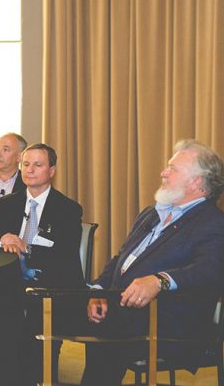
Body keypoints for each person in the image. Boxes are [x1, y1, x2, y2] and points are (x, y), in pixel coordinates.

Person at [81, 140, 224, 386]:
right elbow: (121, 259)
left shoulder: (212, 222)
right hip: (127, 310)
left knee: (108, 330)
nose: (163, 173)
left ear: (196, 182)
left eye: (173, 168)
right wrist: (99, 290)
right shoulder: (152, 213)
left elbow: (209, 271)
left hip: (171, 321)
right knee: (59, 310)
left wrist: (160, 281)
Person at [0, 143, 84, 384]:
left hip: (52, 287)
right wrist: (3, 237)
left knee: (29, 333)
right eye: (26, 164)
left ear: (52, 171)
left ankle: (35, 377)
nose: (30, 170)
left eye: (38, 165)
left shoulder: (68, 209)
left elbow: (64, 254)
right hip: (13, 284)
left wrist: (27, 248)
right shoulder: (10, 203)